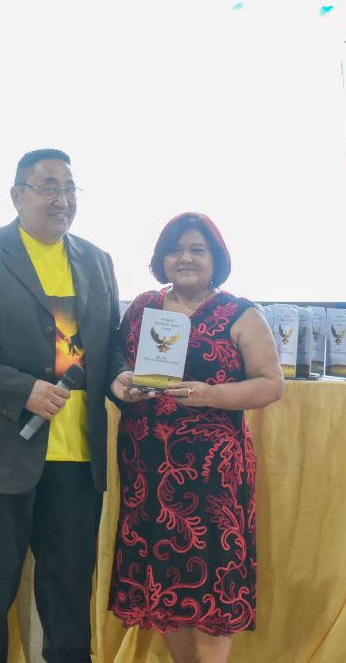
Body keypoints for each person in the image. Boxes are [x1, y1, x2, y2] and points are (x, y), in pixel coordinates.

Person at [0, 148, 124, 663]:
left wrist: (121, 377)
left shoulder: (97, 260)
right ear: (17, 196)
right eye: (49, 187)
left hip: (76, 458)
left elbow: (110, 347)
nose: (63, 199)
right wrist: (22, 390)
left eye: (71, 188)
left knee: (69, 596)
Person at [107, 212, 285, 663]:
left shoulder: (241, 313)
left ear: (216, 258)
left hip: (211, 476)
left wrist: (211, 395)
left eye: (197, 249)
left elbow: (271, 384)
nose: (184, 258)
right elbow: (116, 358)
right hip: (147, 470)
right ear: (161, 259)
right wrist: (122, 380)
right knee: (163, 574)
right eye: (175, 250)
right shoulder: (143, 306)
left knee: (212, 576)